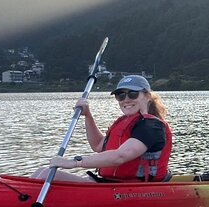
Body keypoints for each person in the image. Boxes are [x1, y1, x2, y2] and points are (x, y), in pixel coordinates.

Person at [32, 75, 172, 182]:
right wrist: (88, 116)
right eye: (121, 95)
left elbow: (120, 156)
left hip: (135, 189)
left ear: (147, 96)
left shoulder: (151, 127)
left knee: (46, 175)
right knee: (41, 172)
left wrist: (74, 162)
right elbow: (98, 145)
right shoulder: (127, 123)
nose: (126, 99)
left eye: (133, 94)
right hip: (111, 184)